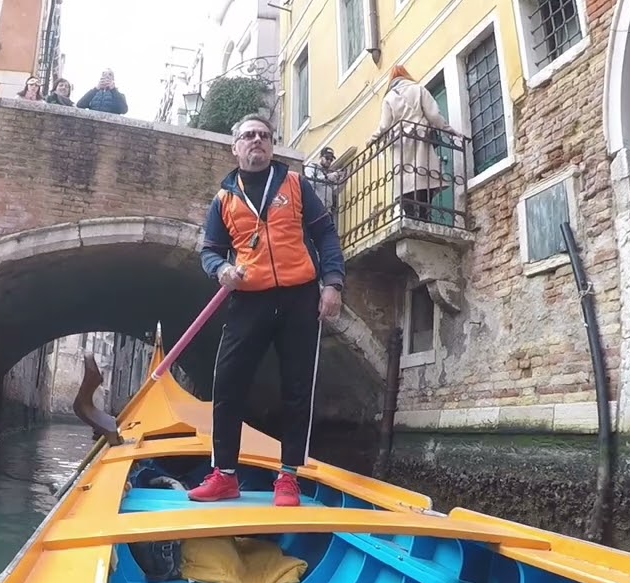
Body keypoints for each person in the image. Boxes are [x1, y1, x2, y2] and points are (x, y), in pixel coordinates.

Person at [194, 114, 346, 507]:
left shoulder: (295, 184)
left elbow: (325, 234)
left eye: (263, 135)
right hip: (249, 298)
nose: (256, 141)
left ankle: (289, 477)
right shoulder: (224, 198)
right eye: (248, 135)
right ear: (235, 146)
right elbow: (209, 251)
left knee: (297, 388)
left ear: (272, 145)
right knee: (227, 384)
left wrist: (332, 283)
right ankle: (224, 474)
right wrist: (222, 269)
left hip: (299, 297)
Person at [369, 64, 456, 221]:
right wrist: (449, 130)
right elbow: (434, 115)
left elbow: (384, 126)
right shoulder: (419, 89)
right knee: (424, 177)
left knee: (405, 181)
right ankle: (425, 216)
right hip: (420, 138)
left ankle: (409, 216)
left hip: (400, 143)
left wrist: (373, 140)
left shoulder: (388, 98)